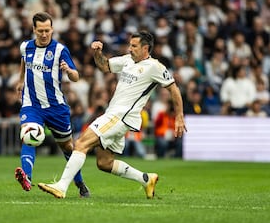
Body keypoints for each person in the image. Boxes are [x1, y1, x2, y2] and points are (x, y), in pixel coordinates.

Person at [38, 31, 187, 199]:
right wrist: (97, 53)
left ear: (146, 48)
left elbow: (173, 89)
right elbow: (104, 66)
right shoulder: (128, 60)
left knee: (81, 143)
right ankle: (146, 179)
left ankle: (61, 186)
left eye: (134, 46)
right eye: (130, 45)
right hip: (115, 115)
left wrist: (179, 116)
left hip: (120, 116)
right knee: (104, 163)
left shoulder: (155, 67)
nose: (130, 49)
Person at [14, 12, 90, 197]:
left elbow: (76, 76)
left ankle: (80, 184)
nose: (44, 34)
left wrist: (69, 70)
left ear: (52, 29)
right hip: (31, 104)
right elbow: (24, 62)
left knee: (67, 148)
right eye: (40, 31)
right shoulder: (26, 47)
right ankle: (27, 177)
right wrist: (20, 80)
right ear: (34, 30)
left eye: (47, 30)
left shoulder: (60, 50)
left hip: (56, 107)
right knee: (28, 135)